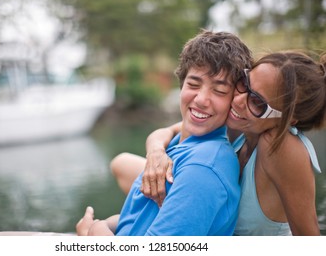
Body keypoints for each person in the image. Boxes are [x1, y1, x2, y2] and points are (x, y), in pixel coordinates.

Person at [111, 51, 326, 235]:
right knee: (121, 163)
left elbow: (308, 239)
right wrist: (156, 154)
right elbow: (167, 131)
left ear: (289, 120)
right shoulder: (238, 121)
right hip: (210, 218)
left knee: (111, 222)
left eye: (257, 102)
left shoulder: (281, 146)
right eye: (245, 83)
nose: (239, 100)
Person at [76, 30, 253, 236]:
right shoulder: (183, 144)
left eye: (220, 91)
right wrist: (109, 224)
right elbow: (141, 218)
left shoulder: (204, 167)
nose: (201, 99)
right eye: (193, 84)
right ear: (181, 84)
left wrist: (94, 233)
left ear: (234, 100)